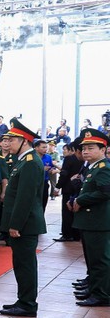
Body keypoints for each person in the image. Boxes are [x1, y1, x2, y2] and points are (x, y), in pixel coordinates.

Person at [0, 118, 46, 318]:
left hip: (25, 224)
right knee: (21, 263)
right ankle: (23, 299)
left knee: (25, 264)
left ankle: (27, 304)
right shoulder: (24, 161)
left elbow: (25, 198)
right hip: (23, 223)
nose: (6, 144)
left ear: (24, 141)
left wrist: (15, 224)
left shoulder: (29, 163)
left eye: (11, 140)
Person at [70, 128, 110, 307]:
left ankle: (101, 294)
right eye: (84, 148)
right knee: (92, 259)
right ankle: (94, 288)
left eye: (91, 148)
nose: (85, 151)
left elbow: (105, 192)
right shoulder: (94, 167)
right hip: (90, 220)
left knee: (100, 260)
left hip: (99, 221)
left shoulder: (104, 168)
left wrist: (81, 199)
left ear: (103, 150)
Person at [55, 142, 83, 242]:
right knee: (76, 211)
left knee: (66, 212)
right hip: (78, 188)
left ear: (73, 149)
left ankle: (67, 234)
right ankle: (76, 234)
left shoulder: (69, 159)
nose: (64, 152)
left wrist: (57, 187)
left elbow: (64, 174)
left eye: (65, 149)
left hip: (68, 188)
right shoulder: (84, 159)